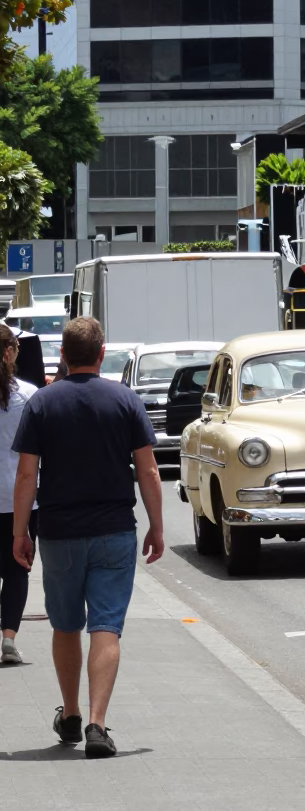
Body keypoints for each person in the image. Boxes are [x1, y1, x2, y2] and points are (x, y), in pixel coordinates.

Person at [11, 317, 165, 759]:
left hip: (59, 533)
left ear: (63, 355)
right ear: (101, 354)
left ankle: (72, 713)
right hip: (114, 530)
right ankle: (98, 722)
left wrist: (20, 533)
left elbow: (26, 475)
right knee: (106, 627)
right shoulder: (125, 400)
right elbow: (148, 470)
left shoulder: (42, 403)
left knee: (65, 625)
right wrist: (156, 524)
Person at [0, 326, 38, 663]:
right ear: (11, 353)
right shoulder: (29, 397)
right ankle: (8, 639)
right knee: (16, 570)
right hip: (19, 499)